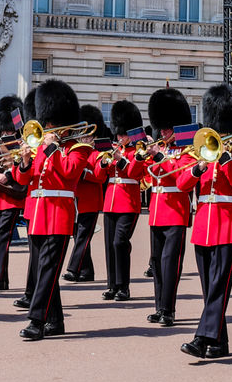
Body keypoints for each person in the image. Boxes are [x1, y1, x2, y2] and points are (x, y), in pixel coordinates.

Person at [10, 79, 92, 340]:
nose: (46, 128)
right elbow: (24, 180)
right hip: (37, 214)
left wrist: (53, 148)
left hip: (59, 214)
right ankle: (55, 322)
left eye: (50, 124)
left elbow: (69, 173)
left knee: (47, 268)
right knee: (42, 270)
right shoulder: (40, 149)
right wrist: (23, 162)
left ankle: (37, 320)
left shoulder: (79, 148)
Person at [179, 84, 232, 360]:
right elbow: (183, 184)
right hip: (204, 227)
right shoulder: (200, 151)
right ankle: (219, 344)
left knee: (218, 288)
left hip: (227, 226)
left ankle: (201, 337)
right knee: (211, 290)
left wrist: (227, 157)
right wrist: (197, 168)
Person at [144, 87, 195, 327]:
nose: (163, 132)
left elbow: (180, 178)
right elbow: (150, 176)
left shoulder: (187, 151)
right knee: (156, 262)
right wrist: (154, 157)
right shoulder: (162, 149)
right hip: (157, 212)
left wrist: (160, 159)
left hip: (175, 212)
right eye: (162, 128)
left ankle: (169, 309)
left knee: (170, 263)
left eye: (167, 128)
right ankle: (159, 307)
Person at [95, 98, 147, 302]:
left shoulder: (138, 151)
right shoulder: (113, 148)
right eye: (118, 133)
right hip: (110, 202)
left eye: (123, 134)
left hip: (128, 202)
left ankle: (124, 287)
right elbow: (100, 177)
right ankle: (112, 285)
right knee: (110, 244)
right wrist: (104, 162)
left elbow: (135, 173)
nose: (120, 137)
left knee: (120, 242)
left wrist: (120, 159)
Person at [0, 95, 27, 293]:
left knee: (2, 238)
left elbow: (24, 170)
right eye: (4, 129)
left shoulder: (23, 145)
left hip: (11, 196)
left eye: (9, 129)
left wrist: (8, 172)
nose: (6, 132)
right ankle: (2, 278)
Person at [63, 104, 108, 283]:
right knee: (79, 236)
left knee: (83, 236)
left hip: (90, 201)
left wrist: (81, 172)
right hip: (76, 201)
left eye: (88, 135)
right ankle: (87, 271)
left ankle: (73, 269)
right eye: (83, 134)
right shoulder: (76, 151)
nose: (84, 137)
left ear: (94, 137)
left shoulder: (97, 153)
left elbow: (98, 176)